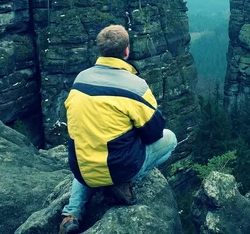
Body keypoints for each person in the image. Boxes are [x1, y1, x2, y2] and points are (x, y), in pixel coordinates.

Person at [59, 25, 178, 234]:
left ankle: (71, 215)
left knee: (88, 152)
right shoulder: (135, 86)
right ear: (126, 51)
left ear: (100, 50)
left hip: (81, 166)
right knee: (171, 138)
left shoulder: (80, 80)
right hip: (120, 168)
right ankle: (122, 184)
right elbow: (154, 133)